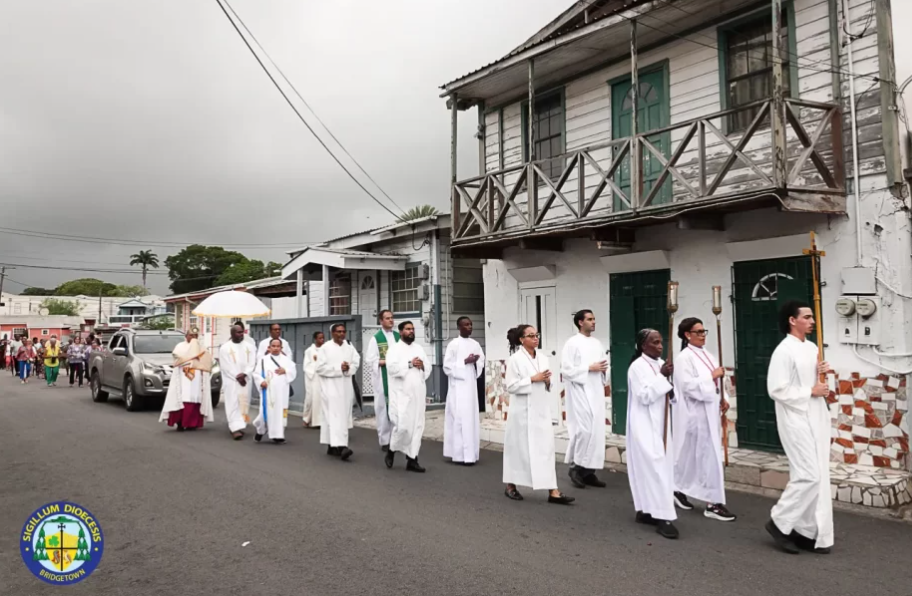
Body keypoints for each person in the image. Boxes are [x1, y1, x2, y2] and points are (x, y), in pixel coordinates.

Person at [765, 300, 833, 555]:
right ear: (792, 320)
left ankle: (807, 530)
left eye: (812, 317)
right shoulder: (784, 350)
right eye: (806, 316)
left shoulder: (812, 347)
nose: (812, 321)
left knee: (818, 475)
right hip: (794, 416)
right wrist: (810, 390)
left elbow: (815, 383)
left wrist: (822, 373)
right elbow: (776, 389)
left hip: (816, 414)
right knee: (808, 474)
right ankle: (779, 522)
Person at [503, 324, 575, 505]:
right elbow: (510, 386)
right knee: (518, 449)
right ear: (521, 339)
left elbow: (548, 384)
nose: (536, 338)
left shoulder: (543, 358)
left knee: (545, 449)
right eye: (531, 335)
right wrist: (532, 379)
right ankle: (511, 485)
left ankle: (553, 491)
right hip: (521, 412)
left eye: (537, 335)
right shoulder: (515, 359)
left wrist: (547, 381)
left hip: (540, 410)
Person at [672, 318, 736, 522]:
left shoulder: (709, 354)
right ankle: (712, 503)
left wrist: (723, 399)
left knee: (694, 457)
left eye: (703, 331)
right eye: (698, 331)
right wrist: (711, 376)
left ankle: (677, 487)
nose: (702, 334)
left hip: (711, 411)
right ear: (687, 335)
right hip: (696, 414)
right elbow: (687, 386)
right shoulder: (684, 358)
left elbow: (720, 381)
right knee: (706, 457)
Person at [626, 328, 678, 539]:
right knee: (655, 469)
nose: (659, 346)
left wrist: (670, 387)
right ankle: (664, 517)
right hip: (644, 424)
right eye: (654, 342)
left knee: (662, 468)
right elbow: (645, 396)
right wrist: (662, 377)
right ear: (642, 346)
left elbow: (671, 395)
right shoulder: (636, 367)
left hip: (661, 423)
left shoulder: (660, 364)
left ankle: (646, 510)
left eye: (660, 342)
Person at [561, 310, 608, 489]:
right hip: (580, 390)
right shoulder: (572, 343)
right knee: (584, 429)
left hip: (595, 389)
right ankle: (575, 467)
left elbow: (604, 364)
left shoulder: (597, 343)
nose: (593, 322)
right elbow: (566, 370)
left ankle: (589, 472)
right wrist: (589, 368)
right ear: (580, 322)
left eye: (594, 319)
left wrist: (604, 370)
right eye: (589, 319)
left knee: (596, 430)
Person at [384, 321, 431, 473]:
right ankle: (391, 451)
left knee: (417, 426)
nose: (411, 331)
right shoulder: (394, 349)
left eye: (413, 329)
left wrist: (422, 365)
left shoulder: (418, 348)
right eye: (408, 329)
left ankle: (412, 459)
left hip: (417, 395)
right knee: (402, 426)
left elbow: (428, 367)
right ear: (401, 331)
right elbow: (392, 369)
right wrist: (410, 364)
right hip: (401, 395)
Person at [443, 317, 485, 465]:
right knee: (458, 418)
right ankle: (458, 455)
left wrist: (476, 361)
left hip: (471, 387)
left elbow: (481, 361)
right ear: (459, 327)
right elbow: (447, 366)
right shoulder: (453, 345)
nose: (470, 327)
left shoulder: (475, 344)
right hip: (457, 388)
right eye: (466, 325)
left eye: (471, 324)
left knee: (470, 418)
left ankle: (471, 455)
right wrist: (464, 362)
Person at [317, 323, 361, 461]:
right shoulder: (325, 348)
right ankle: (342, 447)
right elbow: (320, 368)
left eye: (343, 331)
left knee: (341, 417)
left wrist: (348, 368)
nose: (341, 334)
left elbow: (356, 361)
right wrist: (338, 368)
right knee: (335, 417)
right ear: (332, 333)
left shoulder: (349, 347)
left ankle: (331, 445)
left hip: (345, 387)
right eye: (338, 332)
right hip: (330, 387)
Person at [159, 327, 215, 431]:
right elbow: (178, 359)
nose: (193, 338)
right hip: (183, 376)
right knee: (183, 398)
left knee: (195, 398)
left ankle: (192, 423)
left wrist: (198, 361)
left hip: (197, 378)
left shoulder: (202, 348)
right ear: (186, 336)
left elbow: (207, 362)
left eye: (195, 336)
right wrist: (192, 359)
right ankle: (180, 423)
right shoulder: (180, 347)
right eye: (191, 335)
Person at [364, 310, 398, 451]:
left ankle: (396, 439)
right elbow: (370, 359)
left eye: (392, 318)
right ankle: (385, 440)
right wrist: (383, 361)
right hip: (382, 378)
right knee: (383, 408)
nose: (391, 320)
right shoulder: (376, 339)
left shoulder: (398, 336)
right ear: (381, 321)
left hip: (396, 377)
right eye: (387, 318)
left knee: (396, 408)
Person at [253, 338, 298, 444]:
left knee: (279, 412)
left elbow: (293, 371)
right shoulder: (263, 360)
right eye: (273, 346)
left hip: (282, 391)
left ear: (281, 348)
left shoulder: (287, 360)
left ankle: (278, 435)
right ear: (269, 347)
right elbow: (256, 374)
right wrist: (261, 381)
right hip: (268, 391)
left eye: (278, 346)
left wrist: (285, 371)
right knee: (265, 412)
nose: (276, 348)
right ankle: (261, 429)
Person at [219, 324, 256, 440]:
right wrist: (237, 376)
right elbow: (225, 366)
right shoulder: (225, 348)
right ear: (232, 334)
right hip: (231, 381)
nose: (241, 334)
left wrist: (245, 374)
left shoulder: (249, 347)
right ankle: (234, 428)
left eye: (242, 332)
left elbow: (252, 362)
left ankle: (241, 425)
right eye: (238, 332)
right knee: (233, 402)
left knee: (243, 402)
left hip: (246, 379)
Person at [302, 331, 325, 428]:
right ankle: (306, 418)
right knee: (311, 399)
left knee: (321, 399)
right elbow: (306, 365)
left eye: (323, 338)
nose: (322, 340)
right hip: (313, 377)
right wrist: (315, 370)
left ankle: (319, 421)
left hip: (323, 377)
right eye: (320, 338)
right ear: (315, 339)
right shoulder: (309, 351)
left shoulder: (326, 349)